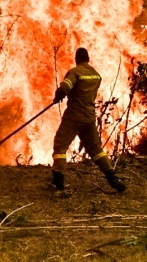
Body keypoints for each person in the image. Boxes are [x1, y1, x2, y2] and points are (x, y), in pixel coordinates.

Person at [50, 47, 125, 192]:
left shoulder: (75, 72)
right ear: (88, 59)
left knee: (60, 145)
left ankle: (58, 180)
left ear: (76, 59)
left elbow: (65, 87)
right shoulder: (96, 75)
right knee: (96, 149)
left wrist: (58, 96)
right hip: (89, 118)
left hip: (73, 117)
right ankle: (113, 178)